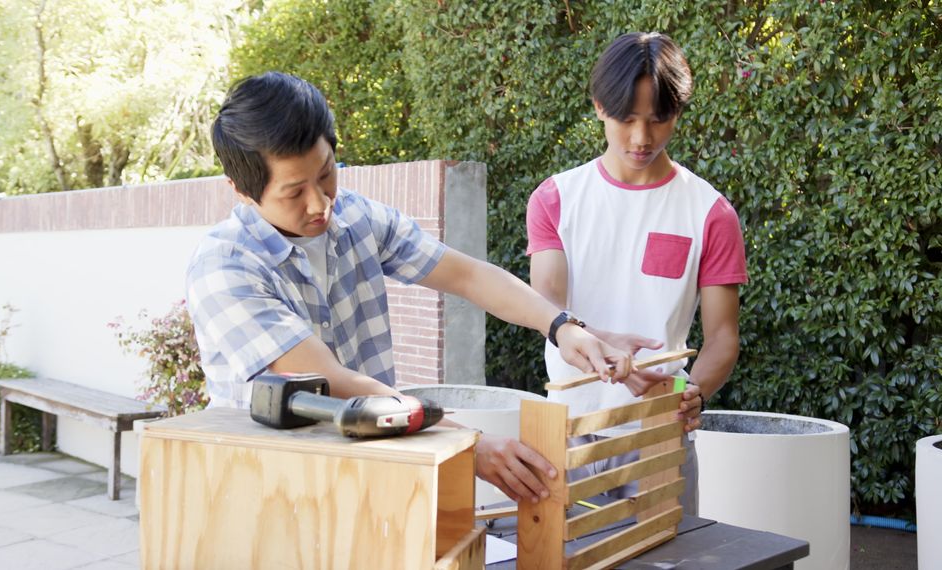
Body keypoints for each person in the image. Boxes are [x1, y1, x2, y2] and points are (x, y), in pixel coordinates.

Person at [186, 71, 681, 505]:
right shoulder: (226, 268)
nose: (321, 203)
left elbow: (468, 275)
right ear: (242, 190)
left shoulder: (357, 218)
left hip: (367, 470)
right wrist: (462, 441)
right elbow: (333, 380)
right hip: (264, 486)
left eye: (327, 173)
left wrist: (564, 327)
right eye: (294, 192)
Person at [526, 32, 746, 514]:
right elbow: (547, 306)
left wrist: (695, 394)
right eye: (627, 119)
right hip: (567, 429)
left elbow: (723, 337)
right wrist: (601, 346)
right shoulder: (556, 199)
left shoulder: (711, 213)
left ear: (678, 113)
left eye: (658, 120)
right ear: (600, 106)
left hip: (657, 431)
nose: (641, 138)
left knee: (669, 561)